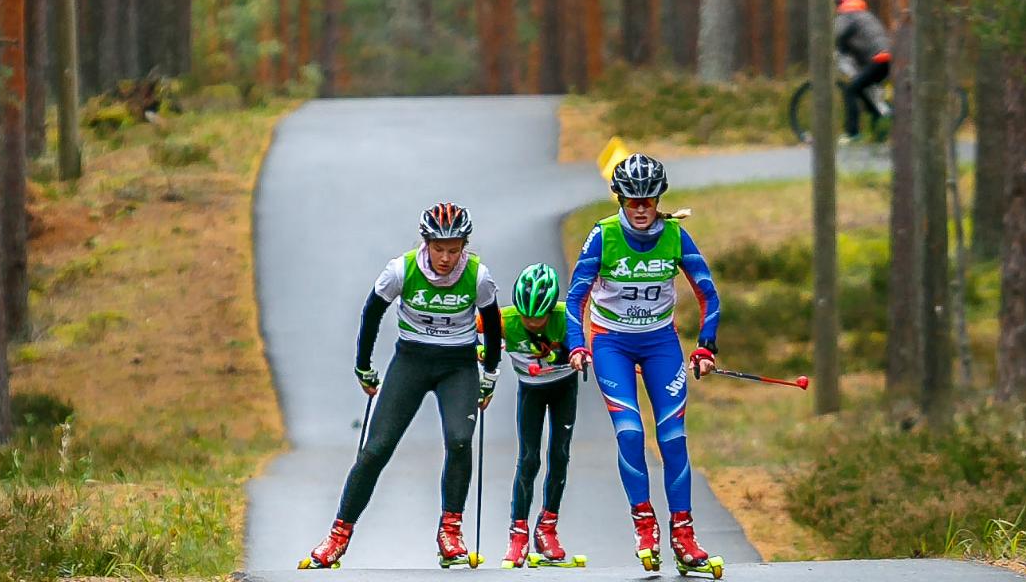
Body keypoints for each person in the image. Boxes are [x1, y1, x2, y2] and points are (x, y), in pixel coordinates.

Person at [302, 202, 504, 570]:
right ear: (425, 242)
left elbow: (492, 324)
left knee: (460, 440)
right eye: (438, 248)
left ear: (464, 245)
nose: (445, 258)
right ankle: (337, 536)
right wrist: (364, 366)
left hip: (458, 365)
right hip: (411, 361)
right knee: (376, 448)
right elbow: (371, 314)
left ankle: (450, 533)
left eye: (454, 249)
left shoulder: (478, 276)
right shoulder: (401, 270)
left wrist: (490, 373)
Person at [565, 154, 725, 577]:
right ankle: (645, 526)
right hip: (612, 344)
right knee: (631, 432)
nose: (640, 208)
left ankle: (684, 536)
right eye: (632, 200)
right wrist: (576, 345)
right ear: (619, 198)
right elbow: (576, 298)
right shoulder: (603, 236)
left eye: (648, 200)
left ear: (658, 199)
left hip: (660, 344)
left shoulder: (675, 235)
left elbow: (709, 293)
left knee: (673, 439)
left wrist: (706, 347)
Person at [493, 263, 583, 568]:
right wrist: (483, 351)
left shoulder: (566, 316)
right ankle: (518, 534)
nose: (532, 321)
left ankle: (547, 529)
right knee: (529, 458)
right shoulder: (504, 320)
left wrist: (554, 353)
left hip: (563, 387)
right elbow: (464, 326)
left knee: (559, 454)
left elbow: (590, 343)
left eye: (539, 316)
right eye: (526, 315)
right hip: (530, 391)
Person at [833, 0, 893, 142]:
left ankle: (852, 133)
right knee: (862, 87)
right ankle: (879, 124)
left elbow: (838, 37)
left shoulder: (847, 16)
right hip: (886, 58)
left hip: (878, 60)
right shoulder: (863, 14)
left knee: (851, 90)